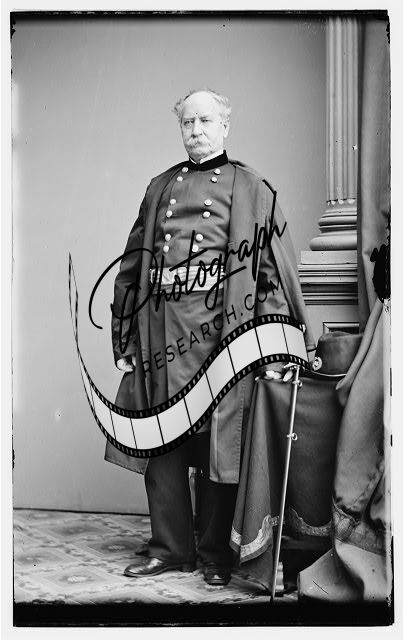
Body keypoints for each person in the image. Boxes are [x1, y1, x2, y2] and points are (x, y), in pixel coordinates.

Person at [104, 89, 314, 586]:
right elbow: (133, 265)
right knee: (162, 440)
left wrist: (271, 345)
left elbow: (271, 274)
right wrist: (125, 337)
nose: (195, 130)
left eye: (205, 121)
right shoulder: (160, 186)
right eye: (187, 122)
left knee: (223, 444)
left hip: (224, 332)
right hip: (161, 332)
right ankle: (170, 548)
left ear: (225, 127)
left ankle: (217, 553)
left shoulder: (252, 186)